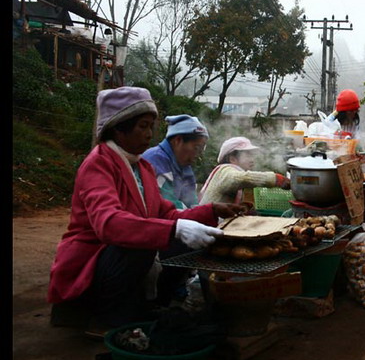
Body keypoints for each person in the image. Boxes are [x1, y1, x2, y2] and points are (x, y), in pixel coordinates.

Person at [47, 87, 246, 330]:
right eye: (143, 126)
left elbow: (165, 213)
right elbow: (109, 224)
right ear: (119, 127)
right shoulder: (98, 164)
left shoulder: (142, 167)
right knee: (143, 242)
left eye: (151, 126)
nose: (150, 134)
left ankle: (152, 303)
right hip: (94, 259)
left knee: (181, 241)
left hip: (121, 257)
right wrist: (176, 228)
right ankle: (106, 318)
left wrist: (211, 210)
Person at [142, 114, 209, 210]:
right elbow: (167, 206)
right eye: (197, 148)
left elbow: (192, 202)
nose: (199, 155)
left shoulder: (184, 166)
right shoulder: (156, 160)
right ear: (178, 140)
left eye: (202, 150)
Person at [199, 136, 290, 206]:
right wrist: (276, 179)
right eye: (248, 155)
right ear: (233, 159)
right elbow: (239, 178)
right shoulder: (224, 171)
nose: (252, 160)